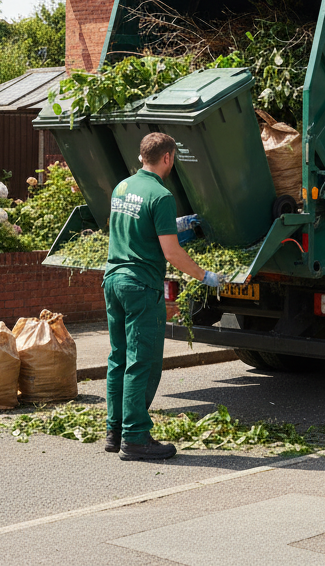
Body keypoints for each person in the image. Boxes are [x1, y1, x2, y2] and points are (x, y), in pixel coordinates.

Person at [104, 132, 222, 461]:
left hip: (113, 279)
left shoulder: (122, 187)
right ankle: (136, 439)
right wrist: (204, 276)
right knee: (142, 362)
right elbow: (171, 253)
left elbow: (132, 227)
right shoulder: (161, 194)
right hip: (141, 286)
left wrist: (175, 224)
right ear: (167, 158)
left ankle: (115, 432)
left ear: (143, 155)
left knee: (119, 359)